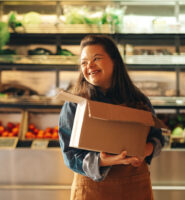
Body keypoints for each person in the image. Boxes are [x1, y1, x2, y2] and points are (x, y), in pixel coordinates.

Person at [58, 35, 165, 200]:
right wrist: (101, 161)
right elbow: (70, 155)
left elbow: (158, 138)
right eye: (84, 62)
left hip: (135, 186)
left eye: (96, 59)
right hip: (92, 190)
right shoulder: (76, 103)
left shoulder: (138, 99)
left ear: (114, 60)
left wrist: (144, 151)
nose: (90, 66)